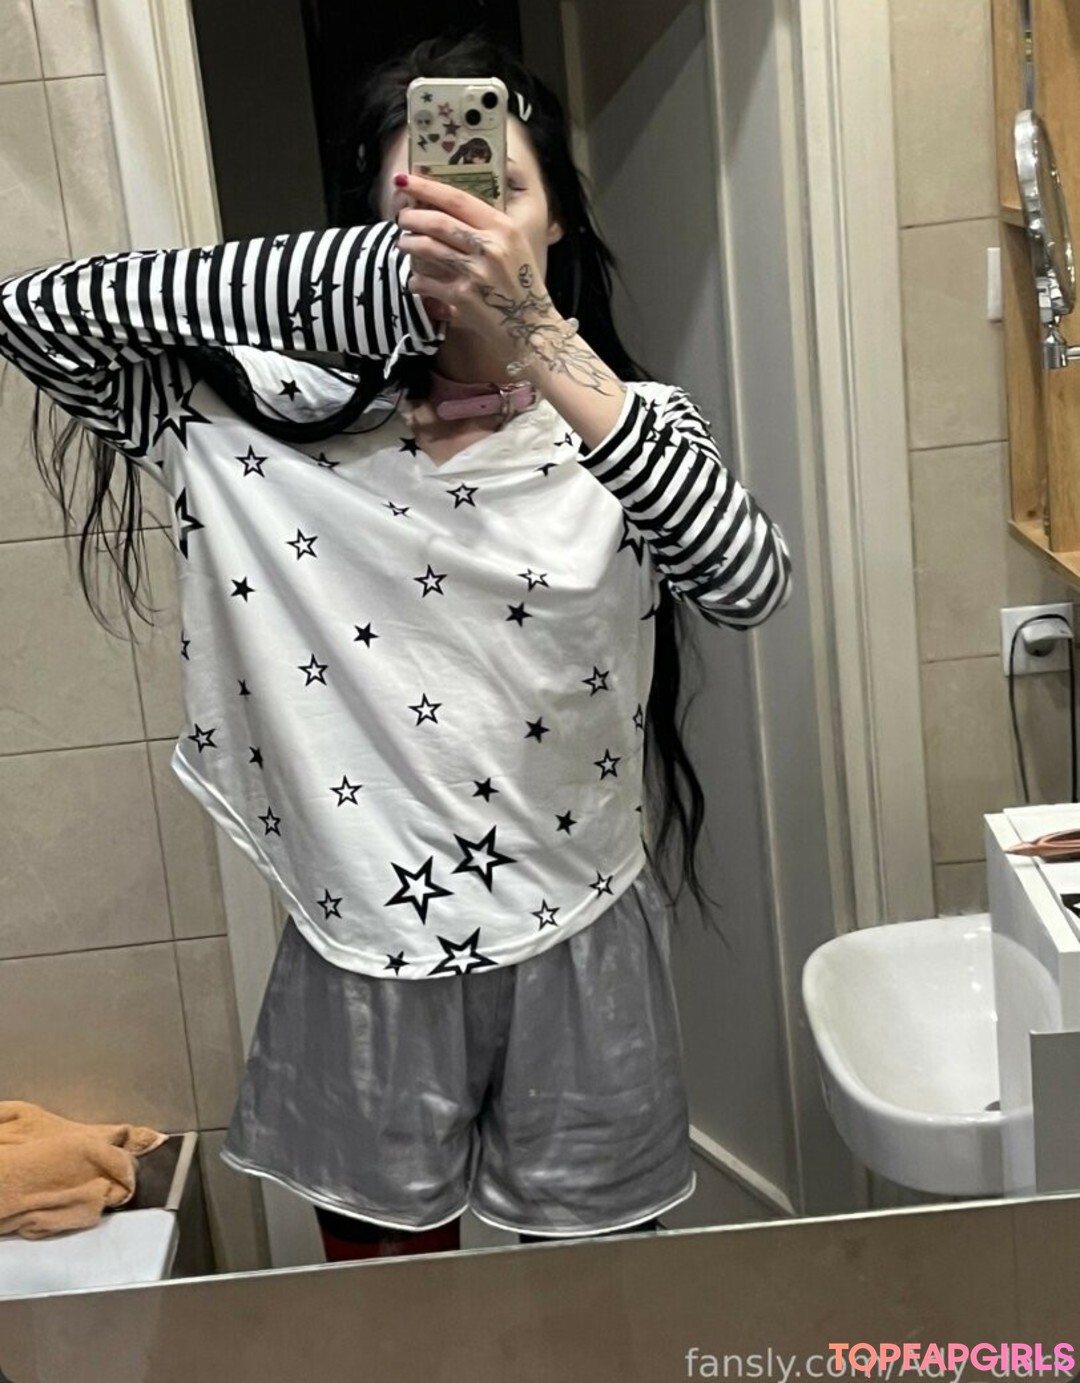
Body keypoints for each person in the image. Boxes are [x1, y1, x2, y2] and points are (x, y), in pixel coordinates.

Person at [0, 34, 792, 1261]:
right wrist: (348, 283)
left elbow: (744, 580)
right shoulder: (251, 430)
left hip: (580, 929)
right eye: (419, 205)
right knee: (385, 1318)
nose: (466, 226)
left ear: (558, 222)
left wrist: (534, 327)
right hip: (362, 945)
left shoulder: (631, 433)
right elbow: (37, 315)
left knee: (596, 1307)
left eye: (500, 193)